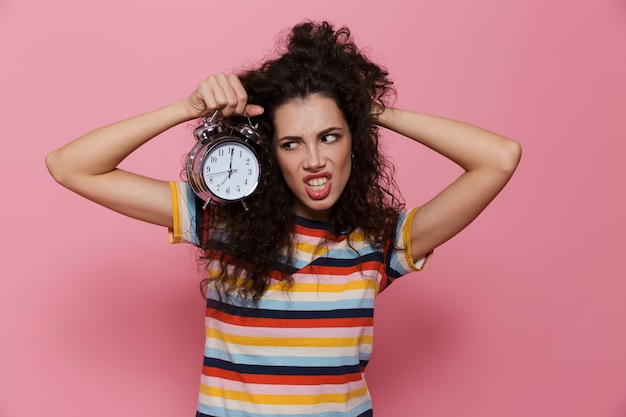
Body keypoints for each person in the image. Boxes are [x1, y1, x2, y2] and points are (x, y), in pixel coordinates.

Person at [46, 20, 521, 417]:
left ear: (355, 142)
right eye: (292, 143)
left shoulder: (380, 242)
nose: (314, 159)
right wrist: (186, 109)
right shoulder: (220, 222)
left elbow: (499, 157)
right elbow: (69, 166)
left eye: (331, 137)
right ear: (271, 155)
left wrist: (367, 110)